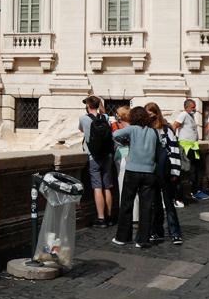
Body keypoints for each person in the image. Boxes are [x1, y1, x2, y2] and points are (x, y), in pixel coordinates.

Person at [111, 106, 158, 248]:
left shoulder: (132, 129)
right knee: (146, 206)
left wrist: (123, 141)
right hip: (149, 171)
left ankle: (123, 237)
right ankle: (143, 239)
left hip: (132, 170)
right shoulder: (153, 132)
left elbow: (115, 135)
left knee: (126, 204)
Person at [146, 103, 183, 245]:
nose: (149, 117)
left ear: (156, 113)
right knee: (155, 204)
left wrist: (175, 171)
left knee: (169, 203)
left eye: (151, 114)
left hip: (167, 171)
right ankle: (157, 231)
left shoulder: (167, 129)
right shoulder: (146, 129)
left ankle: (175, 232)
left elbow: (174, 150)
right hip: (152, 171)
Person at [78, 96, 116, 228]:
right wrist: (102, 110)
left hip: (93, 156)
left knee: (97, 187)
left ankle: (101, 218)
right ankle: (110, 216)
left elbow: (81, 130)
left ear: (88, 106)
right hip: (107, 155)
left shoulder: (83, 118)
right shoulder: (105, 118)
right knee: (107, 186)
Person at [171, 99, 203, 201]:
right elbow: (174, 125)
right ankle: (187, 193)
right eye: (193, 107)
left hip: (193, 146)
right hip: (186, 146)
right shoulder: (183, 114)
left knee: (194, 169)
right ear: (187, 107)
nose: (195, 109)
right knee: (187, 169)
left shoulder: (191, 116)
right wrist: (173, 140)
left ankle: (193, 191)